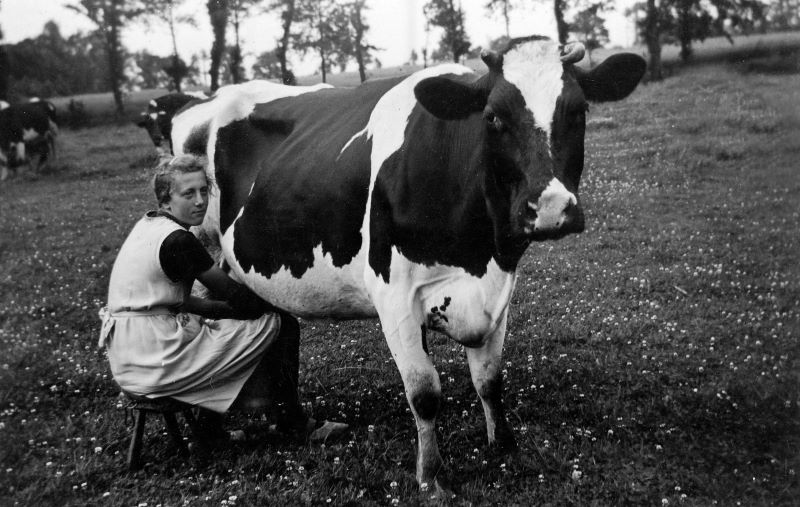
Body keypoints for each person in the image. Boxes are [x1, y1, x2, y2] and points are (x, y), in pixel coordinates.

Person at [98, 154, 347, 443]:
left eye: (204, 191)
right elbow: (236, 297)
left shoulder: (147, 227)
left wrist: (221, 311)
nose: (200, 201)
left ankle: (211, 431)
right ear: (165, 200)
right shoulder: (179, 240)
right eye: (188, 193)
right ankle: (293, 422)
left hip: (130, 358)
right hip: (155, 362)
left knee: (224, 329)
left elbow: (181, 301)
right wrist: (278, 299)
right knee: (282, 325)